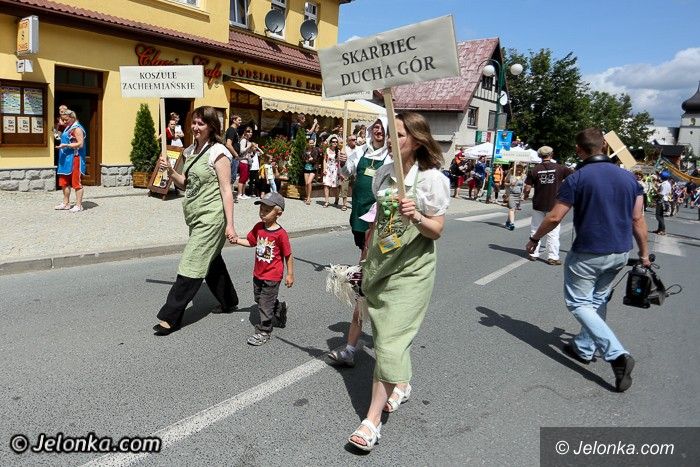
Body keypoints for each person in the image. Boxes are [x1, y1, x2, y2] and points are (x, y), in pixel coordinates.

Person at [347, 112, 449, 451]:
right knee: (388, 334)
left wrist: (416, 215)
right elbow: (377, 222)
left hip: (412, 270)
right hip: (382, 263)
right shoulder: (383, 173)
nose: (391, 140)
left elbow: (436, 230)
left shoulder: (432, 180)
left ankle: (371, 421)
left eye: (399, 135)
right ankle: (401, 383)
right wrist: (365, 258)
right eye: (390, 133)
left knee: (389, 343)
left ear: (417, 140)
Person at [525, 127, 649, 393]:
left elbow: (555, 217)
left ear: (579, 150)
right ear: (604, 146)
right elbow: (637, 219)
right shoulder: (630, 178)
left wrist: (535, 239)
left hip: (588, 252)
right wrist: (644, 254)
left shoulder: (578, 178)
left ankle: (617, 355)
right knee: (597, 300)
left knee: (578, 303)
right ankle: (584, 347)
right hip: (619, 252)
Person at [152, 106, 238, 336]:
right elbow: (185, 184)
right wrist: (170, 171)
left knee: (191, 262)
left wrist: (230, 224)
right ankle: (229, 300)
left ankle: (170, 316)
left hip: (212, 217)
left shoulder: (218, 152)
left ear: (211, 126)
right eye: (194, 122)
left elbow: (226, 190)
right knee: (211, 260)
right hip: (195, 216)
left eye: (201, 123)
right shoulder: (190, 150)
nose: (195, 127)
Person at [327, 117, 391, 369]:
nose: (378, 130)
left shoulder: (392, 158)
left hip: (381, 220)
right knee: (364, 274)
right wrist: (342, 161)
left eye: (382, 127)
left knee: (367, 280)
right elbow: (345, 174)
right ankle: (354, 346)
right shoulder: (361, 150)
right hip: (361, 214)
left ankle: (359, 346)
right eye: (375, 127)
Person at [233, 192, 294, 346]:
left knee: (265, 304)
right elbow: (251, 242)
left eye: (267, 210)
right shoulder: (259, 227)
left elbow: (288, 255)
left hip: (273, 275)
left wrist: (290, 274)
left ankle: (264, 331)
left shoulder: (281, 234)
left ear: (278, 213)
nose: (262, 213)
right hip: (258, 273)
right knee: (259, 299)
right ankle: (279, 308)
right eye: (261, 209)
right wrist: (237, 240)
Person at [522, 146, 573, 264]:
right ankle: (553, 257)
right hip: (554, 204)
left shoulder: (534, 170)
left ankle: (533, 253)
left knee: (535, 228)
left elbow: (527, 188)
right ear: (551, 154)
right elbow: (573, 178)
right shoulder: (560, 168)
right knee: (553, 231)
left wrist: (525, 195)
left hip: (538, 203)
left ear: (539, 155)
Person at [54, 110, 87, 213]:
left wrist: (66, 145)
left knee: (76, 183)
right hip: (65, 158)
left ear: (72, 118)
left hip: (75, 158)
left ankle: (79, 205)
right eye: (63, 120)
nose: (64, 122)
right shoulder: (68, 127)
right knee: (64, 181)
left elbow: (80, 144)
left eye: (66, 120)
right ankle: (66, 203)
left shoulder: (77, 128)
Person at [338, 134, 359, 211]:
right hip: (346, 172)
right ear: (348, 141)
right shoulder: (344, 149)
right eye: (353, 140)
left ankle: (355, 204)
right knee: (344, 188)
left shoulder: (359, 149)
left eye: (355, 139)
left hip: (355, 172)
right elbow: (339, 162)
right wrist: (340, 173)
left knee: (355, 189)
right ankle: (344, 204)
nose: (355, 141)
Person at [225, 115, 242, 201]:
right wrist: (236, 155)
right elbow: (228, 144)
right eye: (239, 120)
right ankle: (228, 197)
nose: (240, 121)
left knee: (232, 177)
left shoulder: (235, 130)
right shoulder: (231, 130)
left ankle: (229, 196)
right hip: (232, 157)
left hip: (234, 157)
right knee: (231, 177)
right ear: (234, 120)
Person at [504, 165, 525, 230]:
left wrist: (524, 194)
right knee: (512, 209)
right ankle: (512, 224)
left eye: (520, 168)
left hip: (519, 195)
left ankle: (508, 221)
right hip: (511, 194)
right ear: (515, 168)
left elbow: (524, 186)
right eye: (518, 167)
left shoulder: (524, 176)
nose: (519, 169)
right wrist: (510, 184)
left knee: (514, 210)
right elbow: (505, 183)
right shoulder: (511, 175)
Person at [323, 135, 341, 207]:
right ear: (330, 142)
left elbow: (339, 162)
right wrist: (324, 169)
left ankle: (337, 198)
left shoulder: (338, 151)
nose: (335, 143)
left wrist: (340, 172)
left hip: (335, 170)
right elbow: (324, 160)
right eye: (333, 142)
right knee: (326, 185)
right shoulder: (327, 150)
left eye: (336, 142)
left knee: (335, 187)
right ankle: (326, 201)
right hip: (328, 169)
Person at [303, 136, 320, 205]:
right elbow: (303, 158)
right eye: (310, 143)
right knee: (306, 184)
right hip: (306, 168)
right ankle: (307, 196)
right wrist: (306, 160)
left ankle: (309, 198)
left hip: (313, 168)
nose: (312, 144)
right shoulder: (305, 150)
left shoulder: (316, 150)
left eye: (313, 143)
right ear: (308, 143)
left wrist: (312, 159)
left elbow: (317, 159)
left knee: (309, 182)